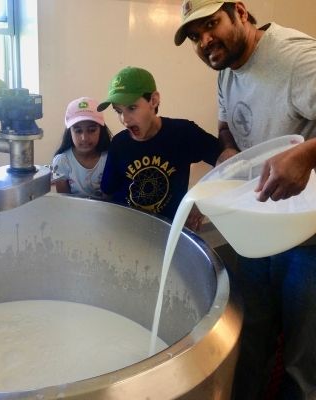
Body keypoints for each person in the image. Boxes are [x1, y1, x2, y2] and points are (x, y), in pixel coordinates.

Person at [174, 1, 316, 399]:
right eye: (195, 36)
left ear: (240, 11)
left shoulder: (296, 59)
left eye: (212, 25)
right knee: (250, 338)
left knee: (303, 360)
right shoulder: (227, 69)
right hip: (259, 228)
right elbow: (226, 123)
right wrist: (229, 155)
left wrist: (305, 155)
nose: (205, 41)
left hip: (308, 237)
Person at [97, 66, 220, 228]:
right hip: (129, 229)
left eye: (132, 108)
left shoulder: (183, 133)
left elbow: (226, 162)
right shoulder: (119, 144)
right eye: (118, 111)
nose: (125, 119)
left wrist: (201, 201)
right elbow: (108, 192)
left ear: (153, 101)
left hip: (170, 230)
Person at [52, 97, 112, 199]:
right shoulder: (62, 161)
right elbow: (64, 200)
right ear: (69, 132)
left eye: (92, 130)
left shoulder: (109, 158)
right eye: (78, 131)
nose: (84, 138)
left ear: (101, 130)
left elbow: (110, 198)